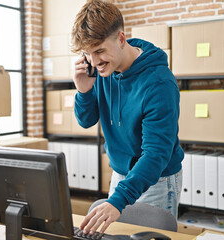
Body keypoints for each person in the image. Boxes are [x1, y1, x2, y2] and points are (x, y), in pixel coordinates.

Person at [71, 0, 184, 236]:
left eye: (100, 50)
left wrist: (119, 199)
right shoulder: (102, 69)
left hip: (157, 181)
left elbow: (156, 154)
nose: (94, 61)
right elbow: (86, 120)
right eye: (88, 54)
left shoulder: (159, 83)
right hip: (120, 176)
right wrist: (83, 91)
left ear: (121, 39)